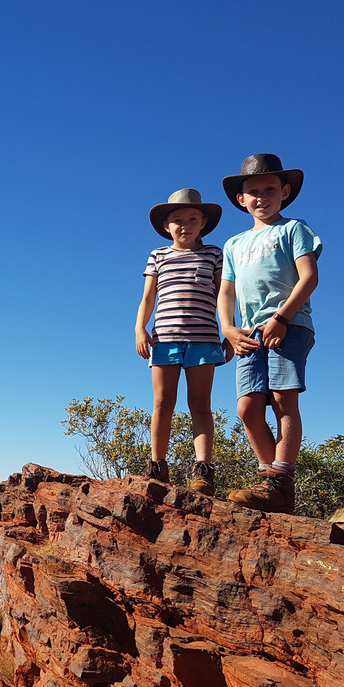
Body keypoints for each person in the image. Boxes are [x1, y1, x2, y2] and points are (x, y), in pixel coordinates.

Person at [217, 154, 322, 514]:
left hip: (288, 325)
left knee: (282, 400)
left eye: (270, 190)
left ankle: (280, 479)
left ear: (285, 192)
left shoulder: (294, 229)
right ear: (240, 199)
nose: (261, 197)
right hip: (248, 332)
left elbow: (309, 278)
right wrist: (228, 329)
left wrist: (281, 317)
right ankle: (270, 481)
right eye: (253, 192)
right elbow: (226, 292)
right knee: (247, 408)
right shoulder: (233, 245)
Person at [136, 188, 231, 496]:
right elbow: (148, 297)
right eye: (178, 220)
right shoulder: (157, 255)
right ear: (167, 225)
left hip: (204, 339)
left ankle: (203, 471)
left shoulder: (214, 254)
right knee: (163, 402)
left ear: (203, 223)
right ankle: (157, 466)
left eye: (192, 219)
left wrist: (229, 331)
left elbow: (224, 296)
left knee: (200, 404)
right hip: (164, 339)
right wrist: (140, 328)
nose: (185, 226)